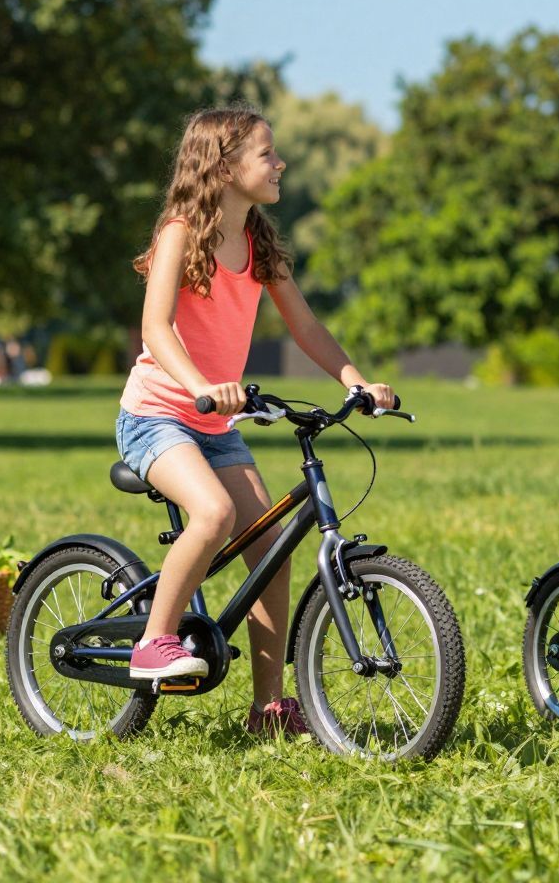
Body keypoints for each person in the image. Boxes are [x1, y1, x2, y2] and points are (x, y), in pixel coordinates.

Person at [116, 106, 396, 738]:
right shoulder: (179, 232)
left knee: (271, 548)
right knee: (212, 514)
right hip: (157, 414)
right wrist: (200, 388)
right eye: (267, 154)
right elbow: (156, 328)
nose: (280, 164)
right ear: (224, 166)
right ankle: (153, 642)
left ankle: (268, 709)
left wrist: (354, 381)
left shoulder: (261, 243)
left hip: (216, 424)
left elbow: (305, 325)